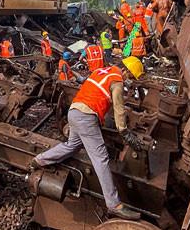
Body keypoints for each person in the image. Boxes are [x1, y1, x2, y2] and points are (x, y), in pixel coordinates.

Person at [31, 57, 147, 220]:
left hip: (74, 112)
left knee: (72, 145)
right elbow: (119, 111)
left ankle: (39, 160)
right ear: (126, 71)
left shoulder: (101, 71)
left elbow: (95, 92)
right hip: (86, 117)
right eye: (131, 77)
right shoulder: (117, 80)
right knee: (101, 159)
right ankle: (114, 204)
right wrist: (125, 133)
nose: (129, 81)